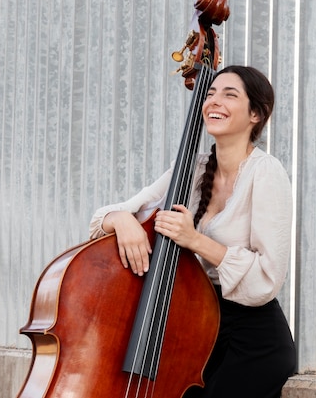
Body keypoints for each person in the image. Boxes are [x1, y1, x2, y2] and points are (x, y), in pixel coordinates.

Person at [88, 65, 296, 397]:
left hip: (254, 342)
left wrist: (194, 240)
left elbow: (266, 279)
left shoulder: (266, 174)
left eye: (229, 95)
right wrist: (122, 221)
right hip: (197, 329)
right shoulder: (193, 168)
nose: (214, 101)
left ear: (256, 113)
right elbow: (102, 219)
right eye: (210, 93)